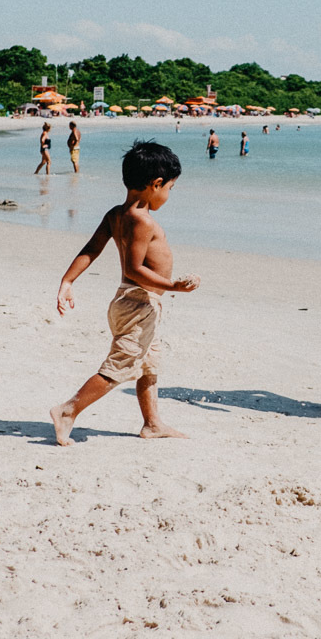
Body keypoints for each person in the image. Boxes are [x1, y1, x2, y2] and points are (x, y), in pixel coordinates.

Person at [49, 141, 201, 446]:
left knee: (148, 363)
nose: (169, 194)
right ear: (155, 184)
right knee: (119, 367)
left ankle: (153, 423)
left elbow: (91, 250)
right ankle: (68, 410)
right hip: (138, 303)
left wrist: (67, 281)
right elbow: (133, 268)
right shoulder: (141, 220)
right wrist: (174, 286)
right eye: (170, 187)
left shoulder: (116, 214)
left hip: (137, 302)